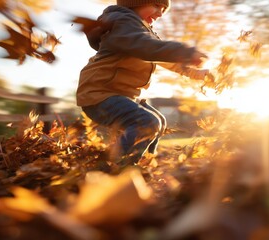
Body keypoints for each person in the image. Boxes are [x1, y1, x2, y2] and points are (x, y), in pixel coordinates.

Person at [76, 0, 210, 166]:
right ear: (135, 2)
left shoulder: (140, 29)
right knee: (146, 123)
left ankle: (143, 163)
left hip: (117, 95)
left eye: (163, 9)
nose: (160, 14)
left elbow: (158, 54)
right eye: (156, 6)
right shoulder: (121, 23)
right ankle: (112, 168)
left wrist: (192, 72)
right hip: (99, 95)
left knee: (158, 121)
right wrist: (185, 51)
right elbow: (148, 48)